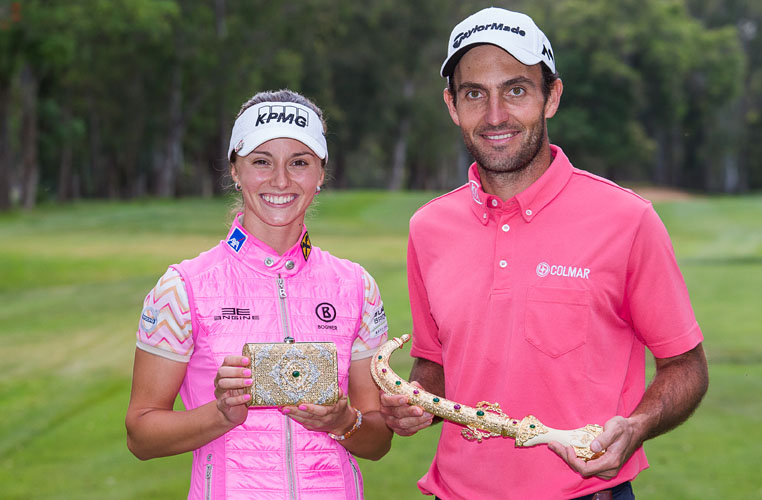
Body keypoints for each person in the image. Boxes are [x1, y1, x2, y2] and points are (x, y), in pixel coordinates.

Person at [379, 7, 708, 500]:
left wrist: (637, 425)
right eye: (474, 94)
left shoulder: (626, 219)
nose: (495, 116)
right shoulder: (428, 228)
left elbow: (687, 366)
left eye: (515, 90)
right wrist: (416, 400)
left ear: (550, 96)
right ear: (452, 105)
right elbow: (436, 361)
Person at [126, 89, 392, 500]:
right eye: (261, 162)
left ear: (321, 174)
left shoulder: (357, 286)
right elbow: (141, 435)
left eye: (299, 163)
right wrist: (219, 415)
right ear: (235, 169)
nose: (280, 181)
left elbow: (378, 442)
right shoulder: (183, 287)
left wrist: (343, 421)